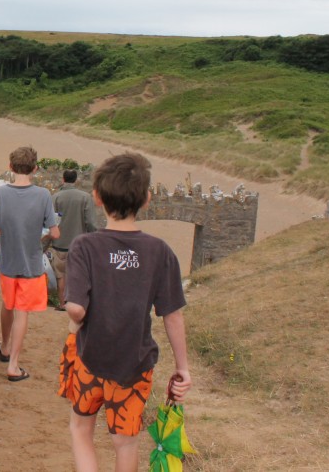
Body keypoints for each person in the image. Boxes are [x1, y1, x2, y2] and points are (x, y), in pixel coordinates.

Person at [59, 152, 192, 472]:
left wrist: (75, 313)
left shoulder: (85, 247)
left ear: (97, 197)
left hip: (91, 360)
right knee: (126, 441)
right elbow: (172, 313)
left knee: (81, 430)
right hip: (135, 364)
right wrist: (182, 368)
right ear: (146, 199)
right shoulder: (159, 251)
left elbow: (76, 309)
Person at [0, 146, 60, 382]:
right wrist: (41, 236)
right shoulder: (43, 195)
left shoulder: (2, 194)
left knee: (8, 304)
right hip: (32, 264)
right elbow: (55, 233)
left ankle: (4, 346)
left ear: (10, 167)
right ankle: (14, 365)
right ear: (35, 169)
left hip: (7, 262)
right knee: (22, 311)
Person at [43, 169, 96, 311]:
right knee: (79, 276)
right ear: (76, 180)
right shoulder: (85, 197)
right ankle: (79, 304)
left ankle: (62, 304)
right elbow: (90, 222)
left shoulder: (56, 197)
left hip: (59, 244)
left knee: (61, 276)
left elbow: (50, 223)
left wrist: (44, 245)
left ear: (63, 179)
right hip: (79, 245)